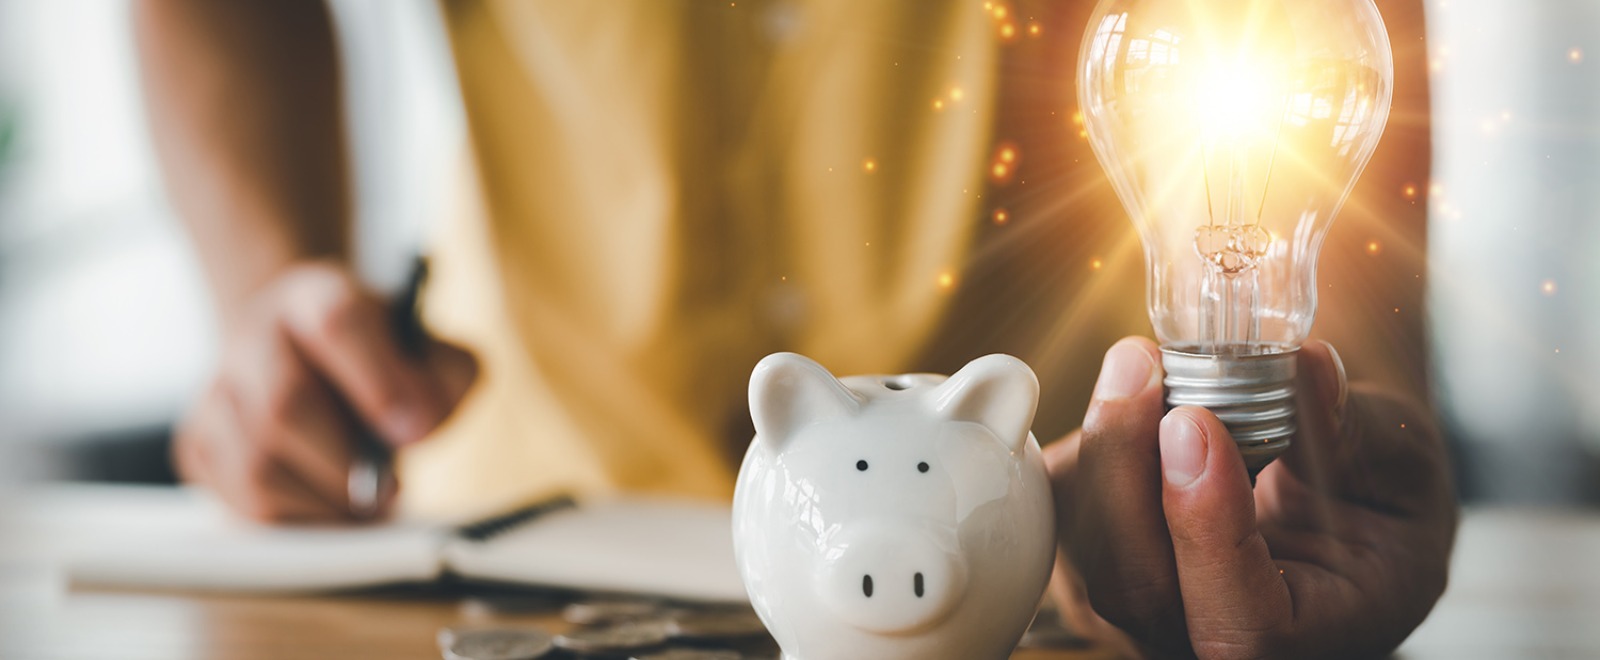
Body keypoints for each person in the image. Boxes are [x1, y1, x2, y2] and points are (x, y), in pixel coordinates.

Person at [134, 0, 1456, 656]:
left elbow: (1299, 58)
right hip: (523, 519)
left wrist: (1324, 430)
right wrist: (270, 286)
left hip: (1078, 546)